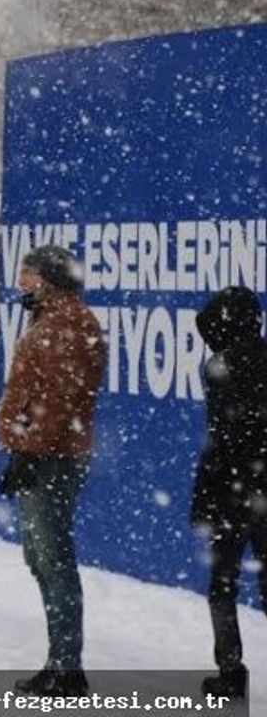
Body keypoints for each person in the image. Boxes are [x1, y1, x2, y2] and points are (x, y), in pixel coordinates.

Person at [0, 245, 105, 697]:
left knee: (53, 560)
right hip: (44, 454)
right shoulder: (52, 320)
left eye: (28, 274)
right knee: (40, 558)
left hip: (51, 459)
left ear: (50, 280)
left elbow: (60, 399)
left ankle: (66, 667)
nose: (20, 282)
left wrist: (31, 452)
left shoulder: (67, 324)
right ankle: (59, 661)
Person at [190, 286, 267, 699]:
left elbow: (223, 440)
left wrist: (206, 496)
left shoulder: (220, 367)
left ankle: (231, 670)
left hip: (233, 492)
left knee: (223, 582)